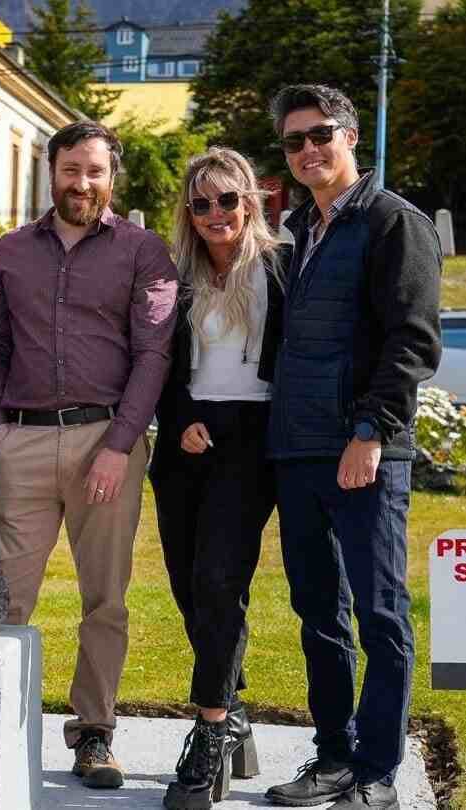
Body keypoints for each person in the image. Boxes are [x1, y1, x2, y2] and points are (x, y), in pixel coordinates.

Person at [0, 121, 178, 789]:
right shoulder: (10, 251)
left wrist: (120, 445)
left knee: (104, 599)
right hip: (24, 441)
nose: (82, 183)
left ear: (111, 177)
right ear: (52, 172)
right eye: (71, 170)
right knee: (0, 597)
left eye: (94, 171)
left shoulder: (143, 251)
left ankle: (94, 733)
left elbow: (153, 356)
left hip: (106, 443)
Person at [263, 85, 441, 810]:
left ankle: (376, 774)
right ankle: (333, 757)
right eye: (294, 140)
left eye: (321, 134)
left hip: (363, 452)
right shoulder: (298, 229)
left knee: (380, 615)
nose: (308, 149)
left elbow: (412, 342)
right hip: (298, 451)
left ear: (351, 137)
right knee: (318, 614)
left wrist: (369, 433)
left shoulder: (394, 222)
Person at [149, 148, 289, 809]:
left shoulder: (281, 268)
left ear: (250, 201)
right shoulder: (176, 276)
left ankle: (207, 732)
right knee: (188, 587)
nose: (215, 213)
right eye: (201, 203)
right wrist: (178, 419)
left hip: (251, 440)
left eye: (227, 199)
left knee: (218, 581)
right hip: (185, 440)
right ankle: (232, 710)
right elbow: (156, 362)